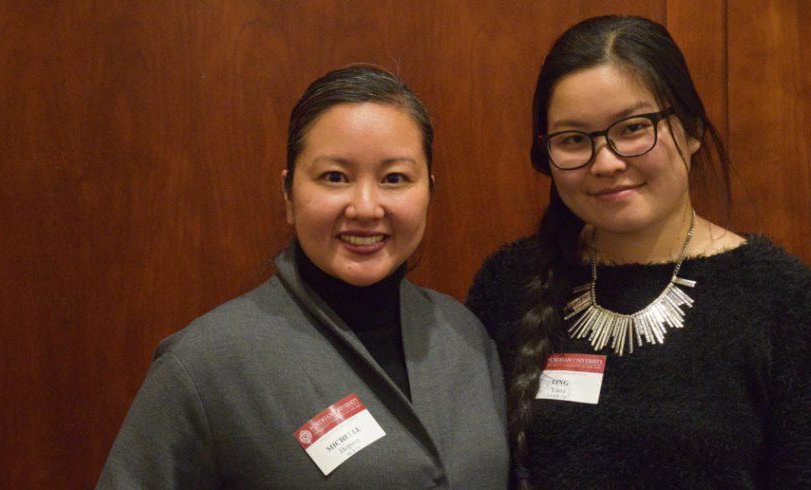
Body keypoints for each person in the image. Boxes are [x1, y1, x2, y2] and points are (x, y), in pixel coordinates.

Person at [466, 16, 811, 489]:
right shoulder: (508, 284)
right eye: (574, 140)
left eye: (634, 128)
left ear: (692, 129)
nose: (607, 162)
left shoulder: (782, 299)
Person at [98, 65, 509, 488]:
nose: (366, 207)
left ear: (429, 193)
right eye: (335, 177)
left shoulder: (465, 336)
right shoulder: (205, 364)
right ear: (289, 194)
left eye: (394, 178)